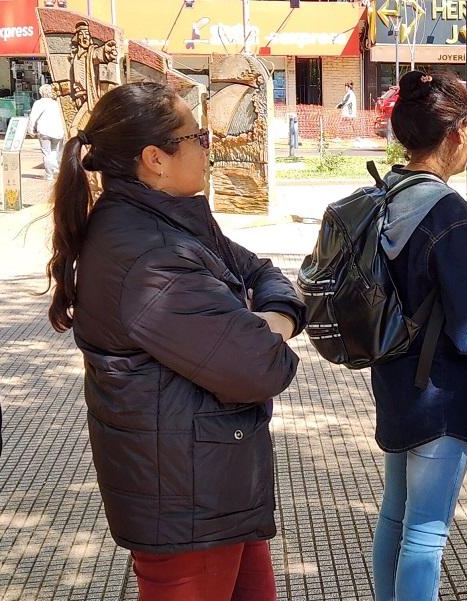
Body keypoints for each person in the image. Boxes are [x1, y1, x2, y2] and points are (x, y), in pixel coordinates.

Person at [44, 81, 305, 601]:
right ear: (154, 159)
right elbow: (259, 365)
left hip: (210, 486)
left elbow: (258, 270)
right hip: (186, 500)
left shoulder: (171, 221)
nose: (208, 147)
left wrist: (269, 315)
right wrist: (269, 325)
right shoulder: (151, 256)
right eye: (197, 137)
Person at [371, 70, 467, 601]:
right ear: (454, 134)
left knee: (395, 517)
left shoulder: (384, 193)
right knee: (426, 533)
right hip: (441, 392)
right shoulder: (449, 212)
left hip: (393, 380)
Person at [28, 84, 65, 180]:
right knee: (54, 151)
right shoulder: (56, 103)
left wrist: (30, 129)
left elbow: (32, 117)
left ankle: (49, 174)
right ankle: (55, 169)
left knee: (46, 153)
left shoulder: (38, 103)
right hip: (57, 131)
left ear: (41, 93)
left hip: (44, 131)